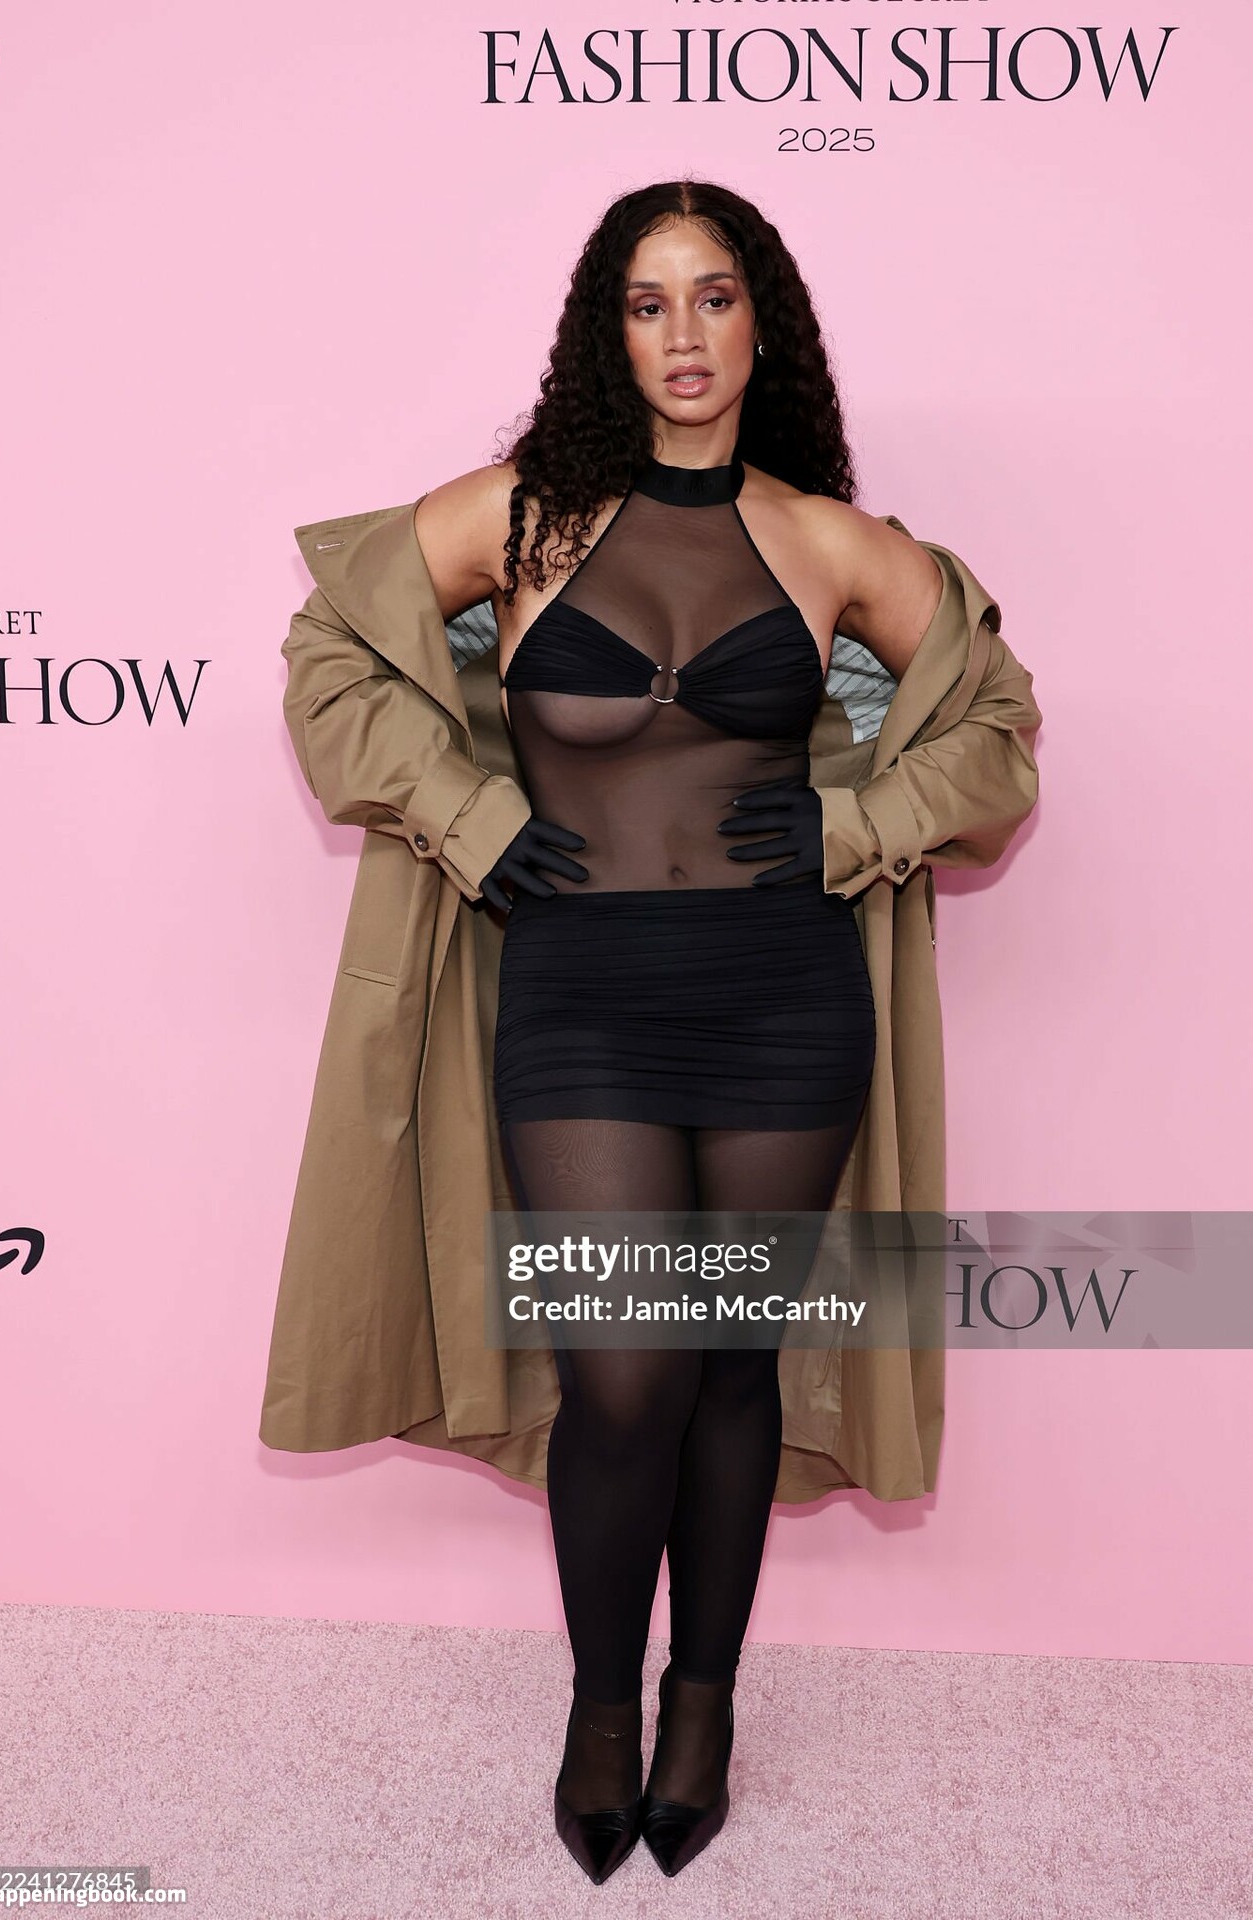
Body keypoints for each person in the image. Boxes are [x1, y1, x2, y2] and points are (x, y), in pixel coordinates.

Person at [406, 178, 995, 1884]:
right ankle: (601, 1706)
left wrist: (854, 825)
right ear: (608, 330)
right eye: (648, 301)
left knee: (732, 1362)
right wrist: (464, 811)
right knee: (621, 1376)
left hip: (778, 996)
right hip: (579, 993)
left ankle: (702, 1703)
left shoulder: (827, 541)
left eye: (715, 297)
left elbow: (993, 729)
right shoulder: (515, 519)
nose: (683, 333)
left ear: (761, 325)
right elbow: (332, 652)